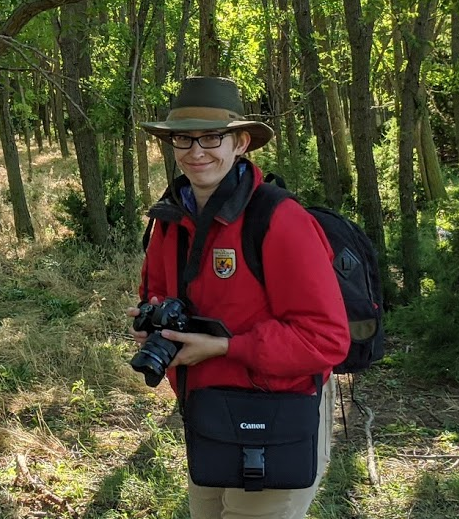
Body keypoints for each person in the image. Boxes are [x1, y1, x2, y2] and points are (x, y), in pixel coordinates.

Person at [128, 76, 350, 519]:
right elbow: (155, 289)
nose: (196, 151)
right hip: (207, 414)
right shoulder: (171, 218)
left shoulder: (280, 220)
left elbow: (326, 338)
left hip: (274, 417)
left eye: (212, 137)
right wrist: (153, 317)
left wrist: (227, 347)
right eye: (183, 139)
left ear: (241, 142)